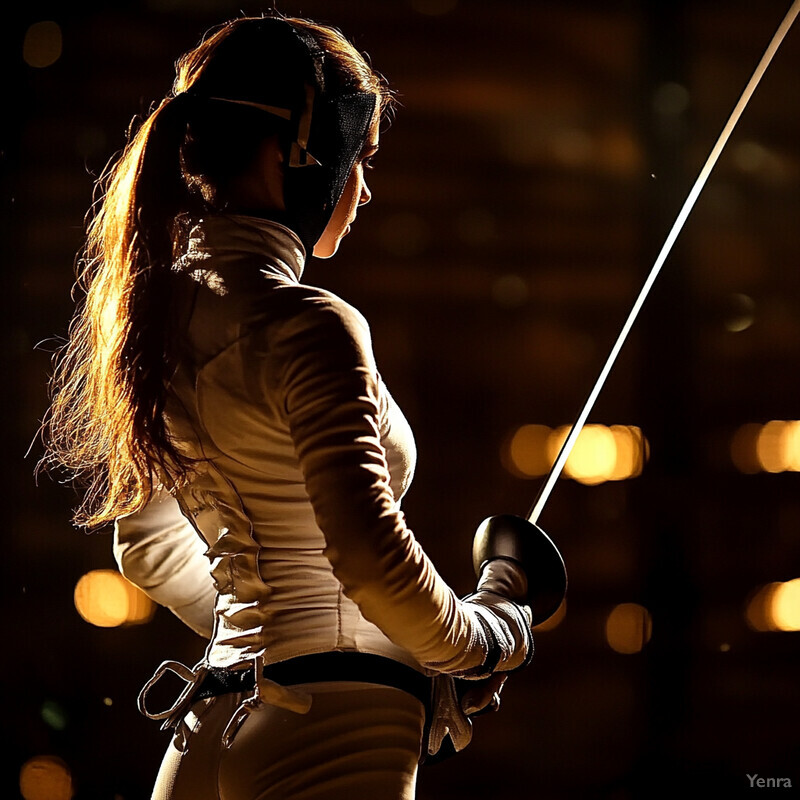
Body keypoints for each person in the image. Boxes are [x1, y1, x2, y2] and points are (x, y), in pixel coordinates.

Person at [42, 14, 534, 800]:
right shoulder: (311, 322)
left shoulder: (157, 321)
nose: (365, 188)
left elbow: (147, 549)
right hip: (335, 735)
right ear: (293, 154)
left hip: (205, 733)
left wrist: (371, 646)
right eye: (360, 157)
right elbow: (371, 560)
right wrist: (485, 635)